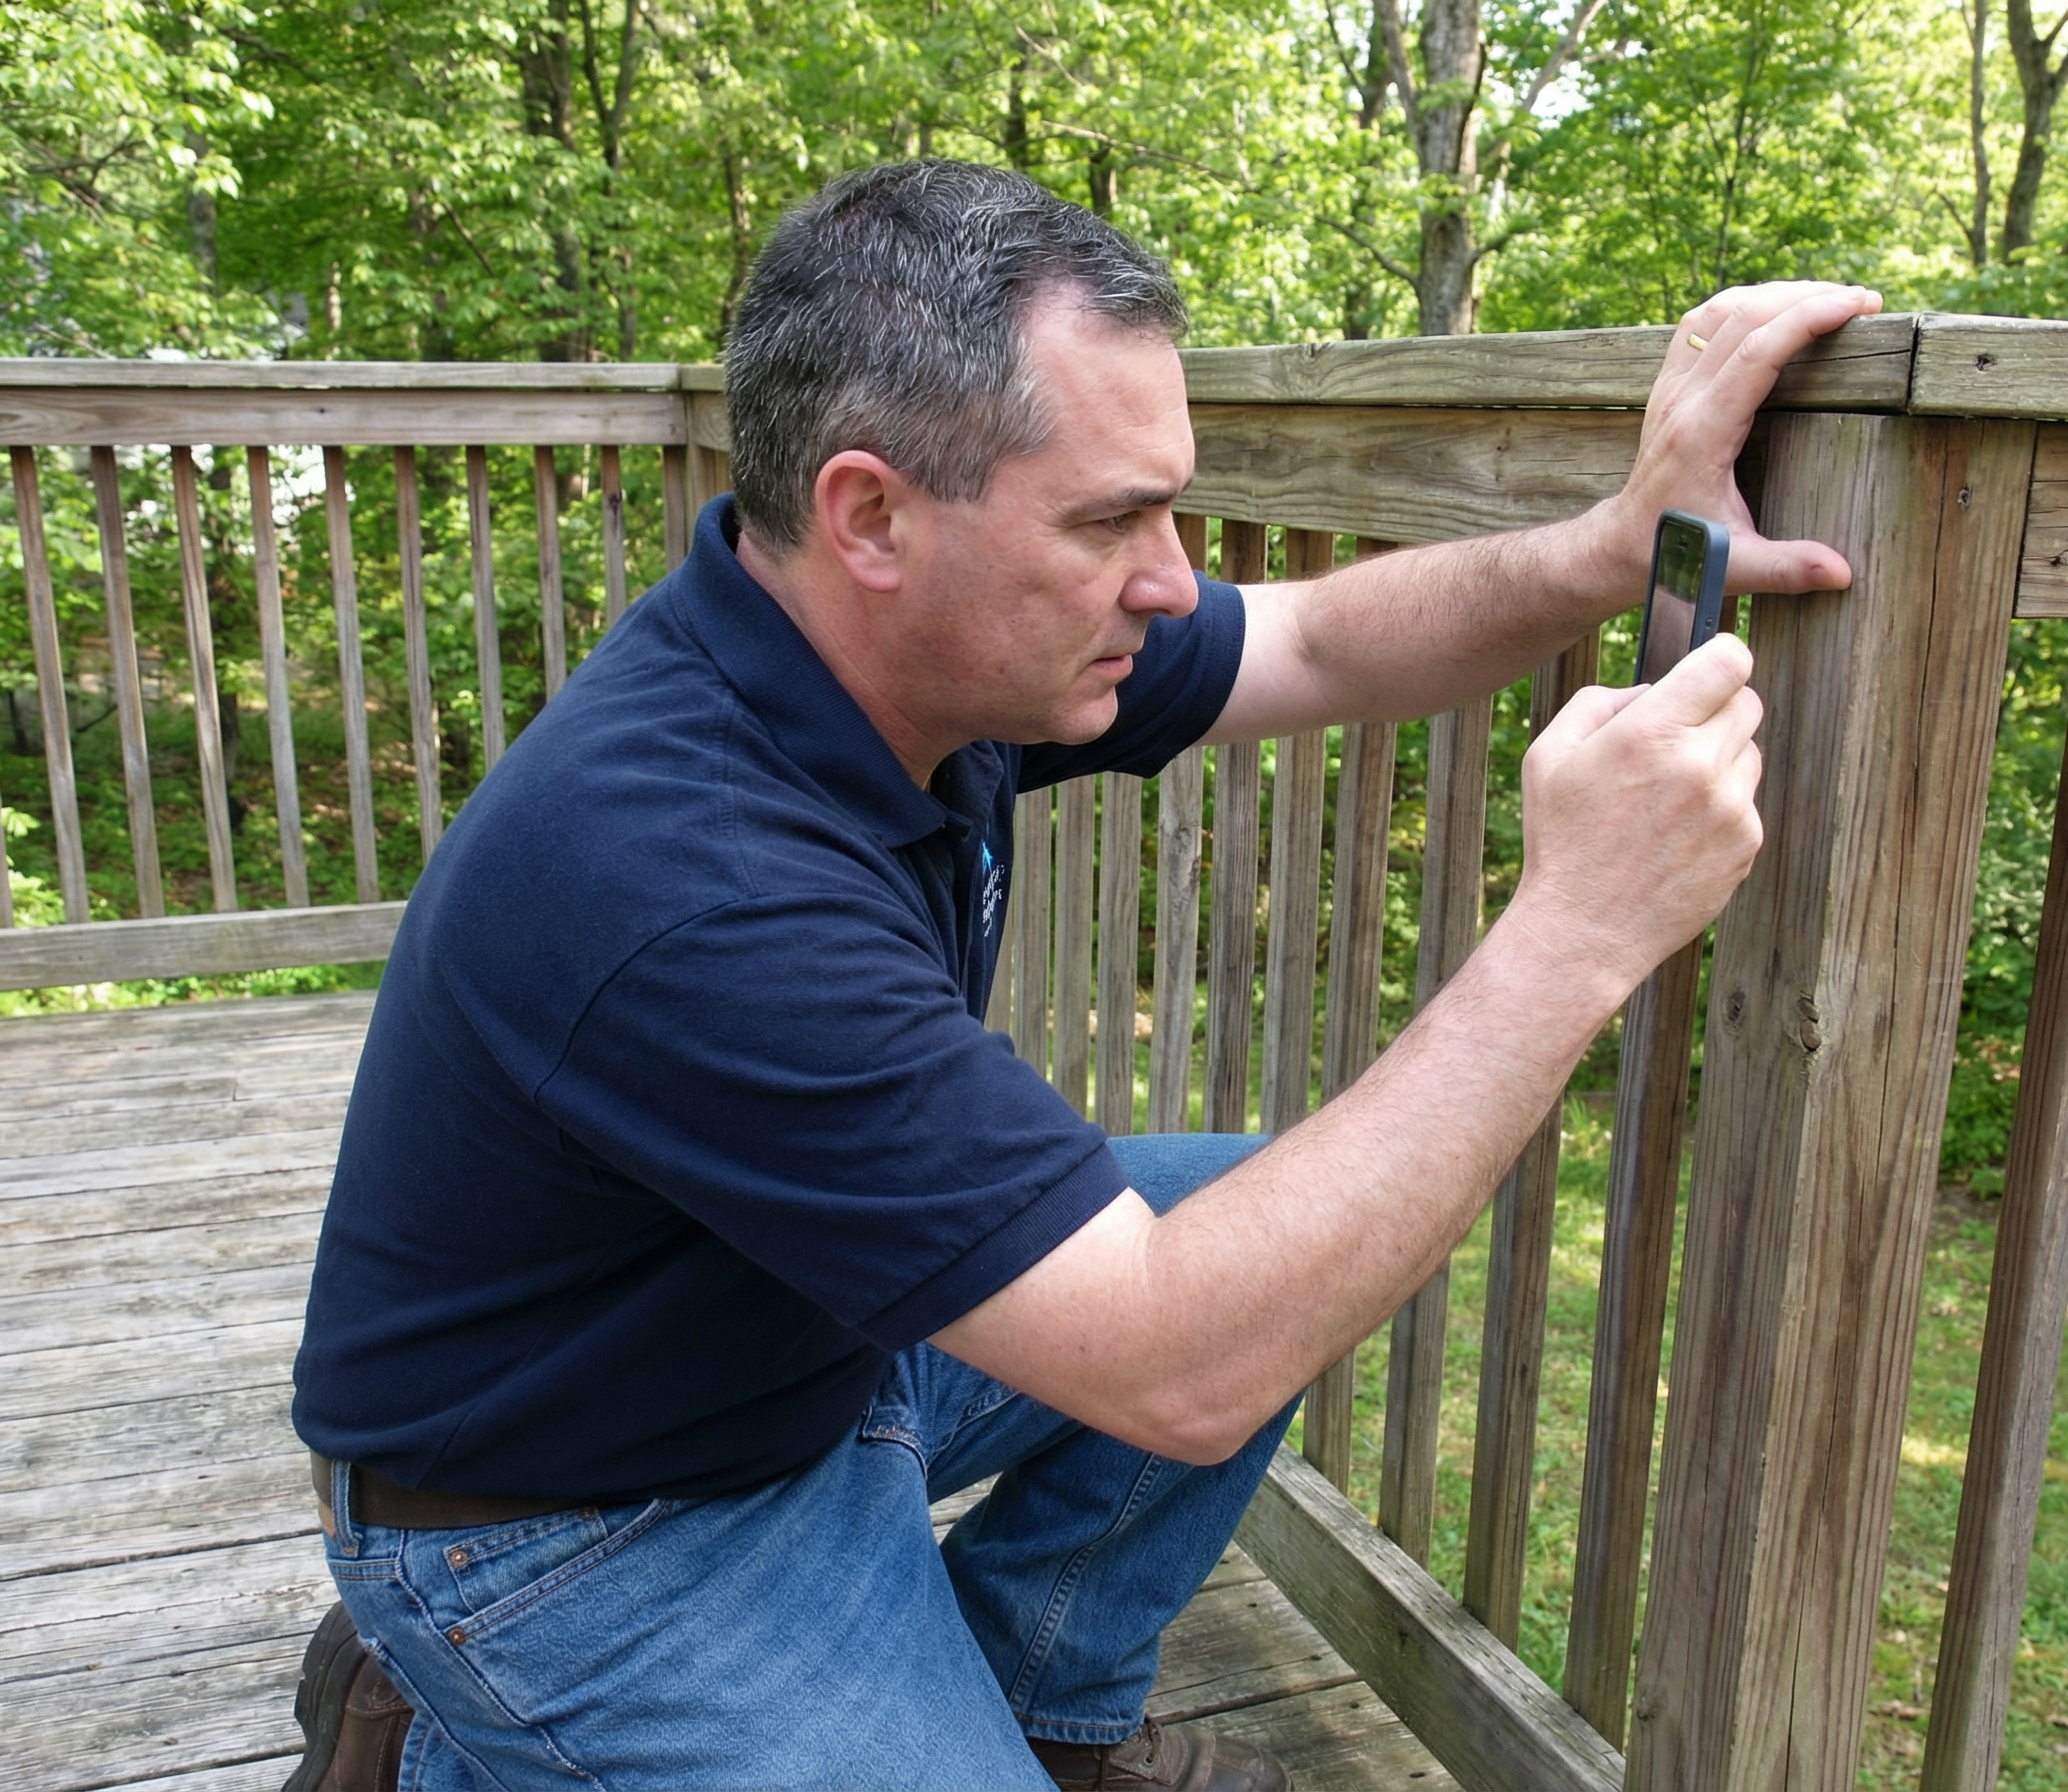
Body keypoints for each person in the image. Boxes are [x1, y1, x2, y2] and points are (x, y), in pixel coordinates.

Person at [282, 157, 1879, 1792]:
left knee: (1260, 1210)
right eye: (1112, 518)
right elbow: (1175, 1362)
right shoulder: (684, 874)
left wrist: (1625, 545)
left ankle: (1040, 1713)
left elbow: (1315, 641)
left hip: (790, 1340)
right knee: (1222, 1302)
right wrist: (1581, 932)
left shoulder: (889, 661)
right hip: (574, 1521)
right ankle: (454, 1729)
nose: (1171, 577)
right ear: (871, 515)